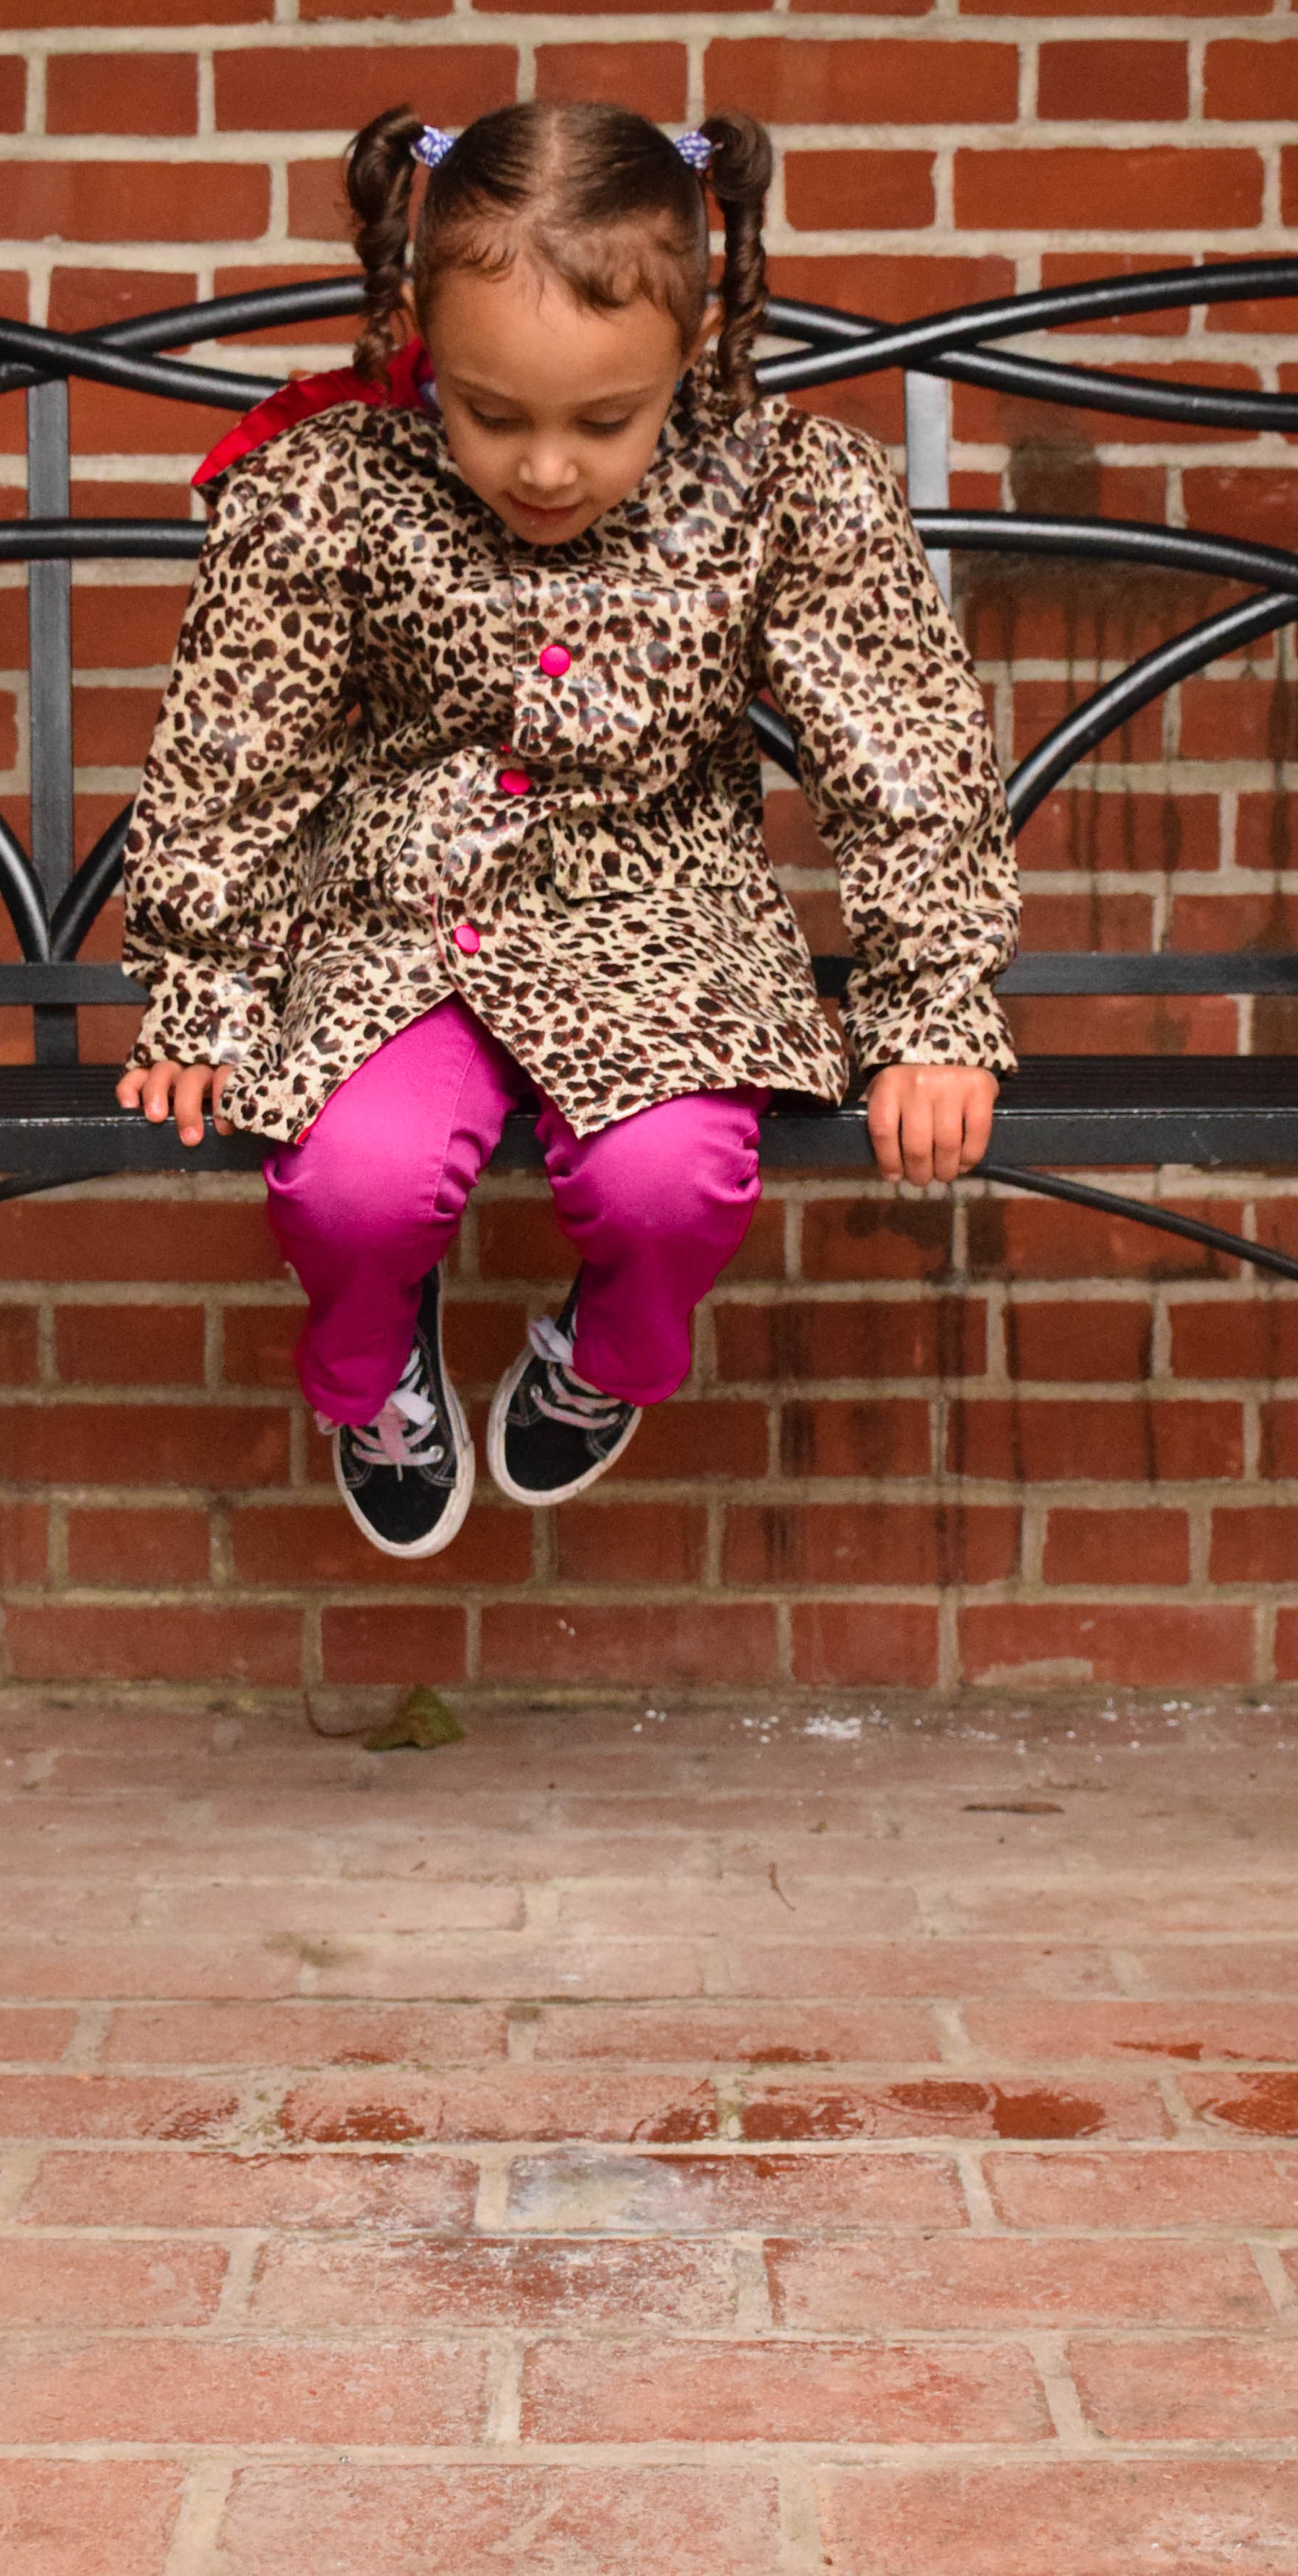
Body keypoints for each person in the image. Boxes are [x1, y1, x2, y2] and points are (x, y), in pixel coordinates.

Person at [113, 99, 1019, 1560]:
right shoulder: (337, 483)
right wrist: (205, 986)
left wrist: (929, 1010)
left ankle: (604, 1362)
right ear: (419, 337)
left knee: (670, 1185)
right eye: (490, 412)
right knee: (350, 1187)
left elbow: (899, 750)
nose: (545, 467)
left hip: (662, 929)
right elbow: (238, 749)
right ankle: (367, 1374)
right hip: (405, 929)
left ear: (692, 344)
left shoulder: (778, 489)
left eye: (603, 420)